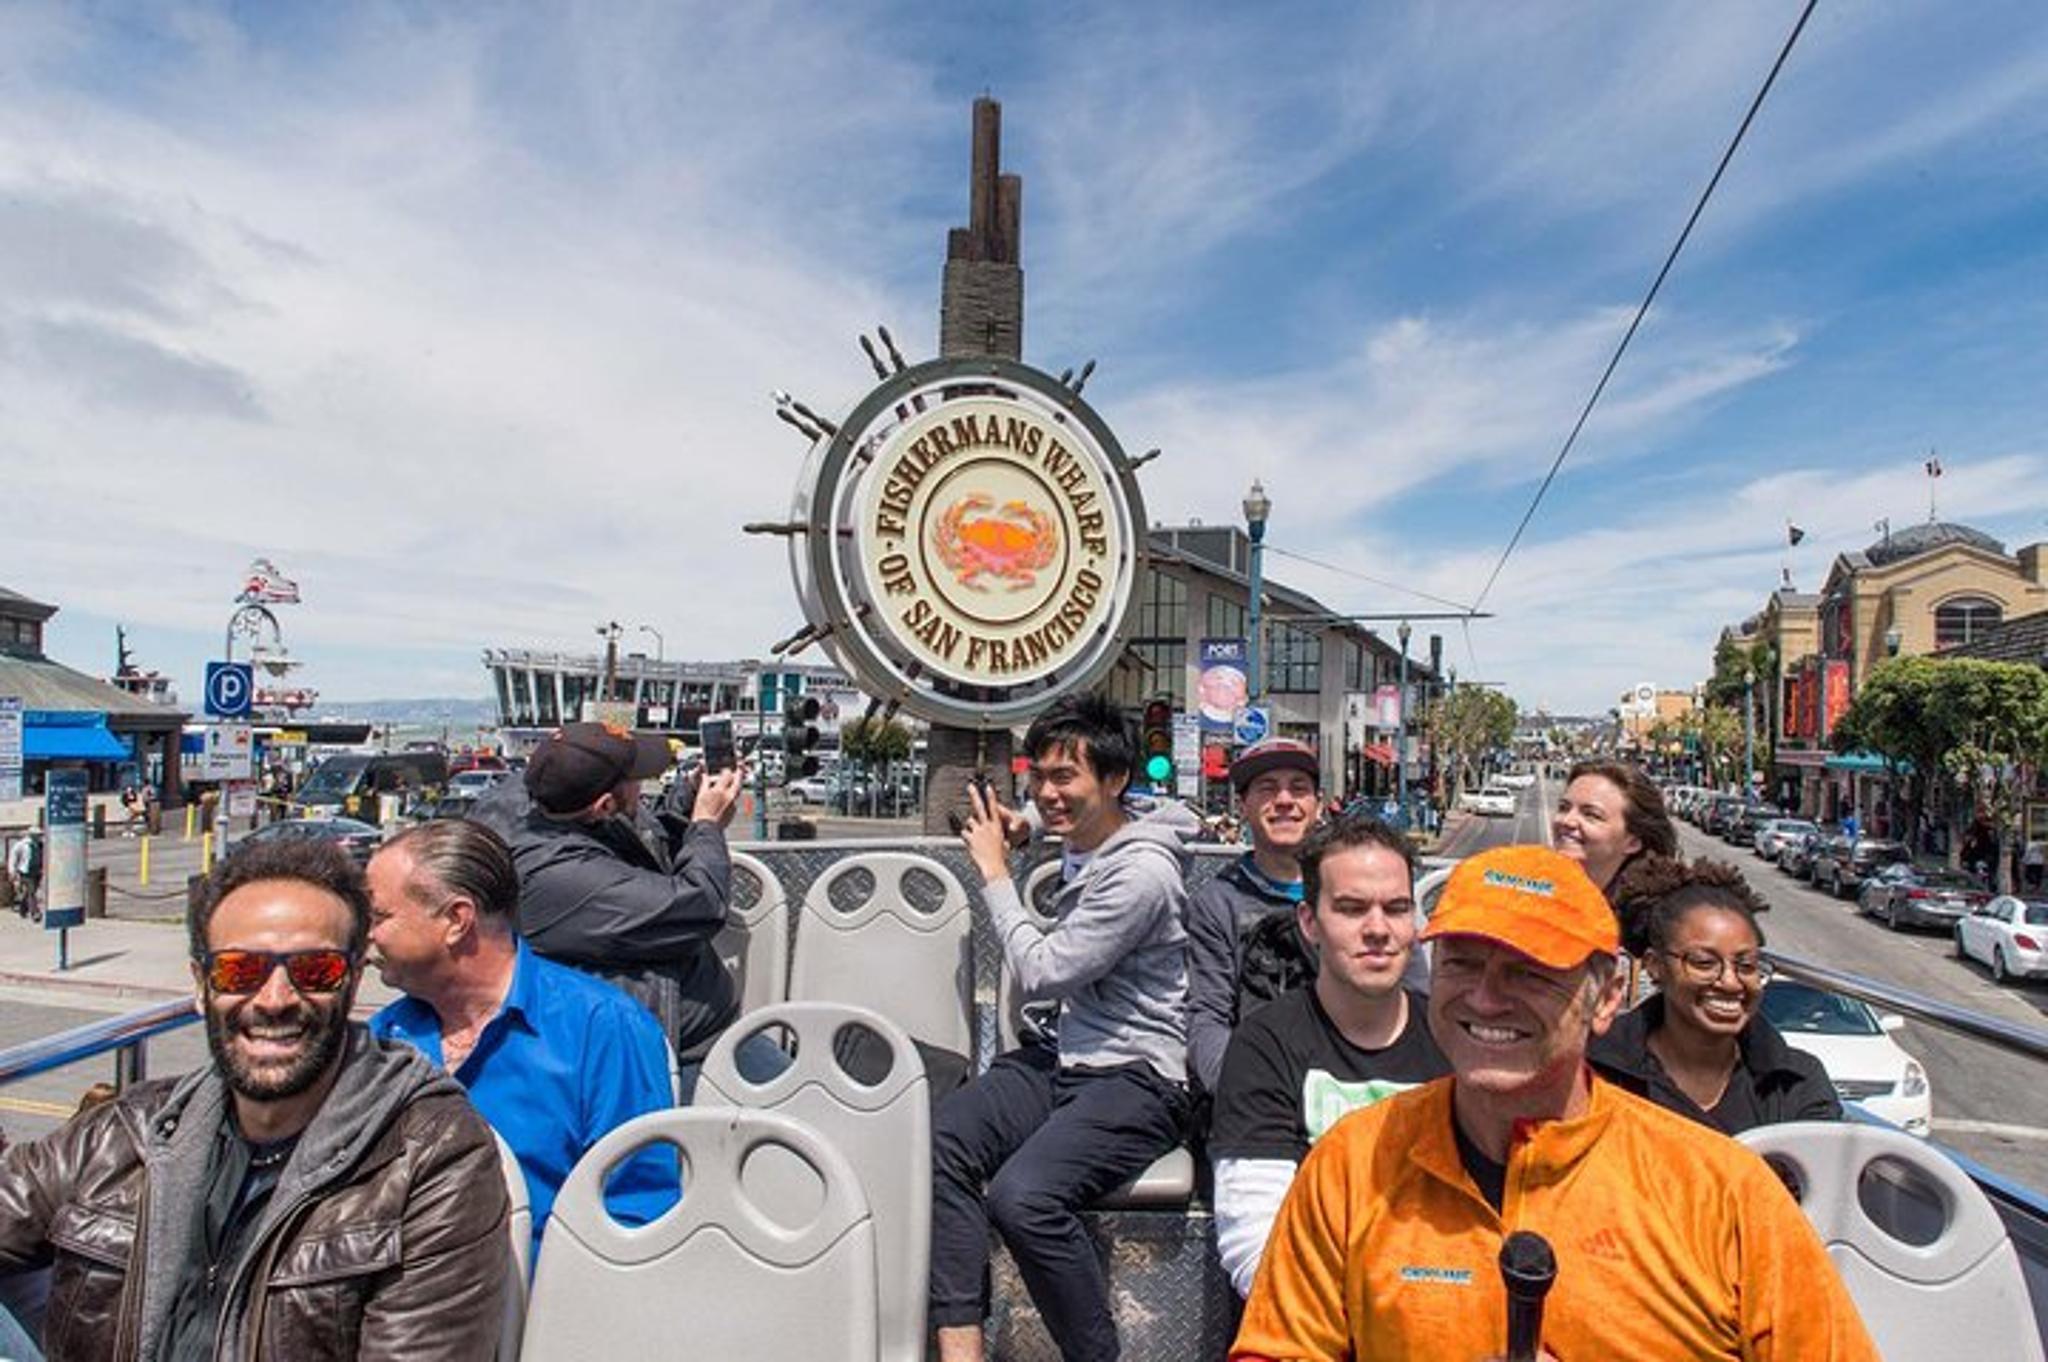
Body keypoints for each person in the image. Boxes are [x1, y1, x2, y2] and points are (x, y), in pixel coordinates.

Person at [1233, 844, 1878, 1361]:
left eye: (1529, 971)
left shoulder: (1722, 1190)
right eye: (1461, 964)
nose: (1486, 999)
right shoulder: (1354, 1162)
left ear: (1605, 999)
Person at [0, 836, 509, 1361]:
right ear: (201, 986)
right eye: (240, 971)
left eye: (315, 970)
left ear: (352, 982)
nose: (275, 999)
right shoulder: (129, 1132)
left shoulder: (428, 1157)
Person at [936, 692, 1192, 1362]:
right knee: (942, 1141)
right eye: (1039, 777)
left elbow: (1046, 971)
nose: (1048, 794)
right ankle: (960, 1347)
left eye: (1065, 778)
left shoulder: (1142, 873)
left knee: (1024, 1198)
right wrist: (1023, 825)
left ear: (1115, 780)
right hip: (1066, 1057)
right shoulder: (1085, 830)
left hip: (1136, 1076)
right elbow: (1052, 822)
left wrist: (994, 872)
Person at [365, 819, 678, 1253]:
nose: (368, 934)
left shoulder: (602, 1029)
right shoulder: (380, 1041)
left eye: (380, 916)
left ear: (457, 920)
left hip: (554, 1306)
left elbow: (638, 1210)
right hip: (408, 1307)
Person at [1207, 813, 1450, 1297]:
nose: (1378, 929)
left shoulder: (1453, 1040)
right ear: (1310, 923)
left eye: (1397, 908)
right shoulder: (1264, 1044)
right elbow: (1254, 1245)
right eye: (1352, 909)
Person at [477, 721, 744, 1084]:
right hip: (662, 1056)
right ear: (603, 806)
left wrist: (684, 803)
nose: (643, 788)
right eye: (636, 781)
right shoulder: (560, 877)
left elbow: (632, 838)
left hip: (669, 1032)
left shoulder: (544, 797)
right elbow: (700, 905)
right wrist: (707, 825)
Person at [1591, 858, 1839, 1134]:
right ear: (1655, 965)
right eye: (1704, 963)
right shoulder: (1594, 1066)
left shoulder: (1796, 1082)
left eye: (1746, 966)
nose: (1731, 983)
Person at [1185, 737, 1322, 1097]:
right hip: (1257, 1089)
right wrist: (1244, 1094)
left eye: (1298, 788)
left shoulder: (1354, 887)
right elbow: (1208, 1016)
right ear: (1244, 806)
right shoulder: (1218, 902)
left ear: (1318, 805)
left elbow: (1411, 993)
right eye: (1267, 788)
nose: (1284, 801)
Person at [1550, 758, 1676, 899]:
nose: (1567, 820)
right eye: (1563, 807)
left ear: (1632, 842)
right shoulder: (1536, 888)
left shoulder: (1644, 916)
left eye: (1591, 814)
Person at [6, 834, 39, 922]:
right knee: (31, 892)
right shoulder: (22, 845)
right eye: (36, 835)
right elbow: (13, 858)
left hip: (36, 872)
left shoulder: (39, 845)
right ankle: (35, 913)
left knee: (30, 892)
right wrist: (12, 871)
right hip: (25, 872)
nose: (38, 837)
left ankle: (23, 909)